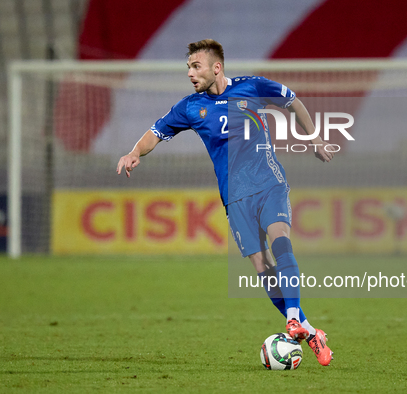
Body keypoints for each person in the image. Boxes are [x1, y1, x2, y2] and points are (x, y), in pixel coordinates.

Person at [116, 39, 333, 366]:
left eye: (196, 66)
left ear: (216, 67)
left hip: (268, 182)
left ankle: (292, 319)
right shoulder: (190, 107)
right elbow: (155, 133)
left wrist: (314, 138)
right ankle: (308, 329)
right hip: (234, 196)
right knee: (262, 268)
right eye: (188, 67)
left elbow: (294, 103)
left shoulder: (253, 87)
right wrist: (134, 153)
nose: (190, 73)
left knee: (281, 241)